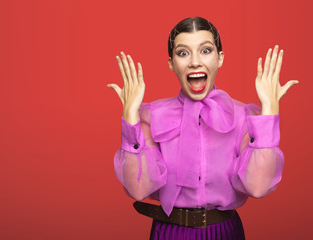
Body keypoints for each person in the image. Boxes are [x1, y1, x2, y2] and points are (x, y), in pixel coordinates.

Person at [107, 17, 298, 240]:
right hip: (170, 232)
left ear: (220, 58)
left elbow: (258, 186)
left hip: (223, 231)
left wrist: (269, 109)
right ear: (171, 63)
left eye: (206, 50)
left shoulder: (242, 117)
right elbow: (137, 189)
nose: (195, 62)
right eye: (183, 53)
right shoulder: (151, 117)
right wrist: (130, 116)